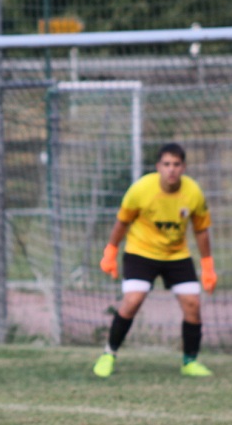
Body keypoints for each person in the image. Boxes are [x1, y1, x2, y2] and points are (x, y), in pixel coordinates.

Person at [92, 142, 217, 378]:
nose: (172, 169)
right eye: (167, 164)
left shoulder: (193, 192)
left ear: (183, 167)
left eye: (176, 164)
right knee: (133, 300)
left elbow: (201, 230)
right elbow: (122, 222)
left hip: (176, 254)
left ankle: (190, 361)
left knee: (193, 304)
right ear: (158, 166)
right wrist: (110, 252)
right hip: (141, 252)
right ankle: (108, 354)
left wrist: (207, 265)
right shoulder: (141, 189)